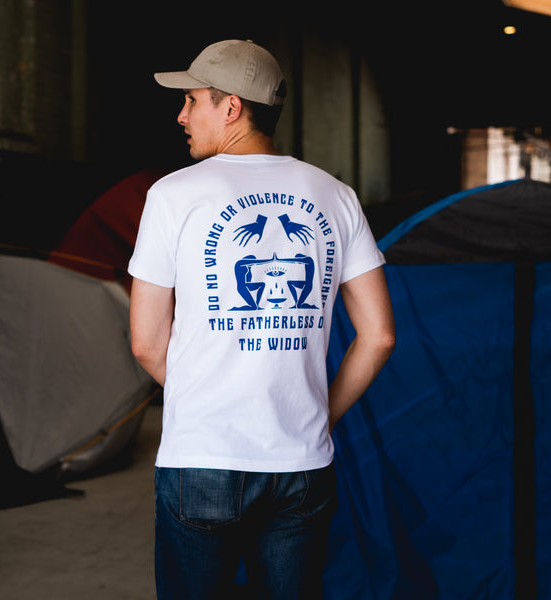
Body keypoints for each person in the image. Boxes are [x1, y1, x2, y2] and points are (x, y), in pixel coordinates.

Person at [128, 39, 395, 600]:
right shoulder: (336, 195)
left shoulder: (173, 195)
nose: (181, 115)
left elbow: (147, 346)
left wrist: (209, 400)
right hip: (301, 462)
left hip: (201, 460)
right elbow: (378, 336)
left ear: (230, 107)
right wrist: (318, 412)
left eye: (192, 100)